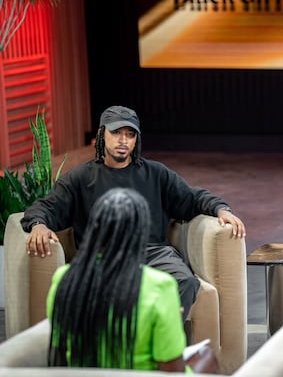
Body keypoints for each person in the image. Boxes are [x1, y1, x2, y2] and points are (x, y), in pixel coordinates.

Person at [22, 105, 246, 320]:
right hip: (102, 255)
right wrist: (39, 224)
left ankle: (159, 345)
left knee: (185, 281)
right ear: (102, 135)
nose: (123, 140)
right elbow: (45, 207)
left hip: (152, 253)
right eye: (116, 133)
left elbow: (192, 197)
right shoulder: (80, 178)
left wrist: (220, 209)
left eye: (130, 134)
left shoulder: (155, 173)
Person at [47, 187, 213, 372]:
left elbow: (59, 346)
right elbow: (172, 369)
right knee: (206, 356)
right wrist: (171, 317)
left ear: (94, 230)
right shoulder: (159, 286)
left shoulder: (64, 278)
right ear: (140, 233)